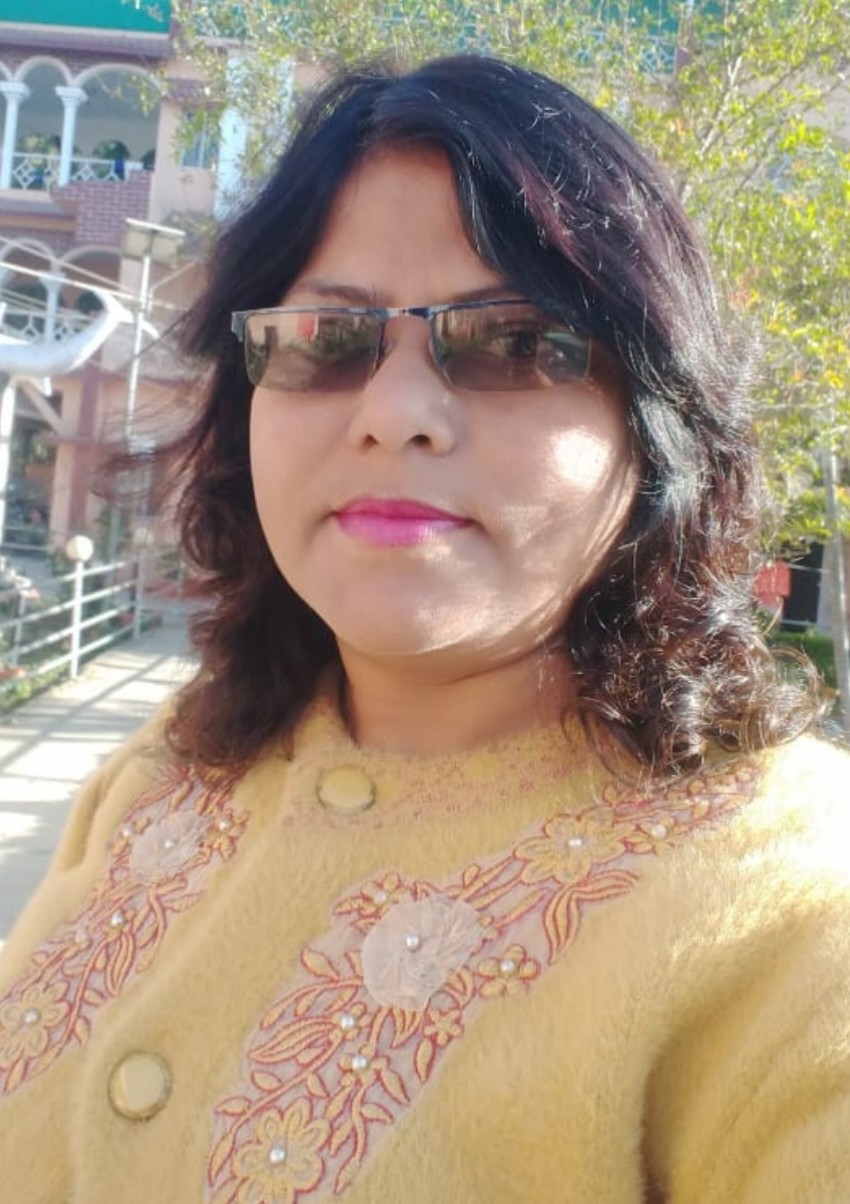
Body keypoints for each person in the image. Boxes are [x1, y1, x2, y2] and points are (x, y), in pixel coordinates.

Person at [0, 54, 848, 1204]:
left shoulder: (799, 912)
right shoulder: (162, 770)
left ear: (656, 430)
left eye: (516, 342)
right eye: (327, 339)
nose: (395, 411)